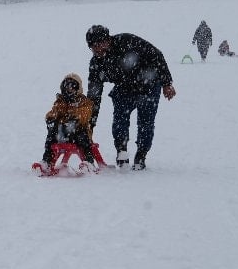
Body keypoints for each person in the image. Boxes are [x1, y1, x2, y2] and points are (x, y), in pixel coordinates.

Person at [85, 25, 176, 171]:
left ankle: (141, 155)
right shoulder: (96, 64)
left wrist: (166, 83)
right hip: (124, 89)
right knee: (119, 120)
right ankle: (122, 152)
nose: (96, 50)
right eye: (92, 47)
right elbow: (94, 97)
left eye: (98, 44)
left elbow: (156, 55)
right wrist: (89, 124)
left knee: (145, 123)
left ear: (107, 40)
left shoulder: (127, 41)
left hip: (149, 85)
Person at [39, 73, 98, 175]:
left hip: (78, 131)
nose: (69, 89)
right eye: (67, 87)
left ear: (77, 88)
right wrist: (51, 119)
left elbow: (85, 114)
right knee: (51, 137)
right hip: (63, 134)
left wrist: (74, 118)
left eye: (72, 87)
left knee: (83, 138)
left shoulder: (84, 101)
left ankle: (89, 162)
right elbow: (54, 112)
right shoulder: (61, 101)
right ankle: (47, 162)